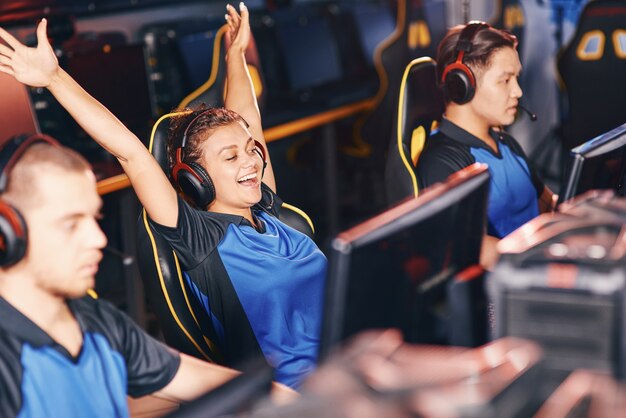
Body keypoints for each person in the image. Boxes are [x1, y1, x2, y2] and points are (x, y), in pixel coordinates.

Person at [0, 2, 327, 389]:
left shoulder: (268, 209)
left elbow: (248, 119)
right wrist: (54, 78)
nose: (252, 161)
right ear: (195, 178)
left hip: (343, 359)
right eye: (231, 156)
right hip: (290, 394)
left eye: (252, 150)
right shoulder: (199, 237)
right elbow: (131, 152)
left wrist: (235, 54)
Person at [0, 134, 248, 417]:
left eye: (95, 219)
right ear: (7, 234)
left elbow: (217, 384)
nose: (98, 239)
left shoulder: (97, 322)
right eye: (70, 224)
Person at [415, 22, 556, 267]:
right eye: (505, 80)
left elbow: (547, 204)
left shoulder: (506, 143)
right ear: (462, 85)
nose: (518, 91)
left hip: (538, 274)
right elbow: (474, 250)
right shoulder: (443, 161)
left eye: (517, 78)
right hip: (500, 297)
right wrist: (548, 248)